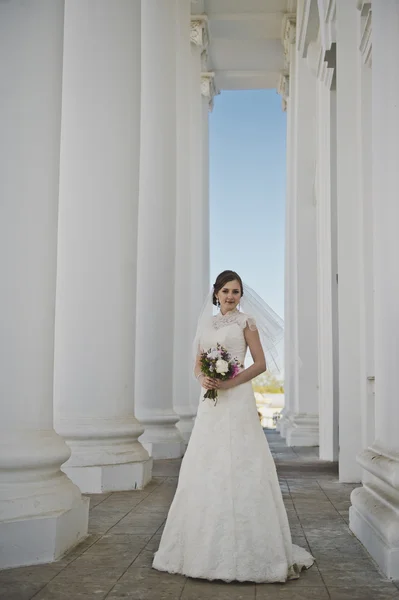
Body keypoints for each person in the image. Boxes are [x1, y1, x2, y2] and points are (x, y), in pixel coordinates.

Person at [152, 270, 314, 583]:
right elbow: (198, 362)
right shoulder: (205, 323)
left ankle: (255, 548)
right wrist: (203, 379)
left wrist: (230, 383)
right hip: (210, 401)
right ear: (216, 293)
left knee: (243, 460)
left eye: (236, 292)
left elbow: (260, 363)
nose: (230, 296)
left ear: (241, 295)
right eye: (225, 291)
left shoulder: (246, 322)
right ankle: (200, 548)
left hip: (237, 398)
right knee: (207, 462)